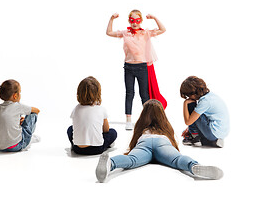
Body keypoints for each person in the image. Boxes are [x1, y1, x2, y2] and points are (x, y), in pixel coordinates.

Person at [95, 99, 223, 183]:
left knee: (131, 160)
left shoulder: (141, 126)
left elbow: (134, 141)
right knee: (178, 159)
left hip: (144, 142)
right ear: (161, 114)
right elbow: (173, 143)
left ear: (144, 114)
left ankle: (110, 163)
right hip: (162, 142)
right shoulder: (165, 127)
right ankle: (194, 166)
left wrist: (133, 150)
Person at [106, 9, 167, 130]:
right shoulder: (125, 33)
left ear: (141, 21)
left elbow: (163, 29)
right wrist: (111, 19)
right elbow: (109, 32)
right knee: (129, 93)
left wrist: (154, 17)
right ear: (129, 21)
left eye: (137, 20)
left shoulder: (145, 33)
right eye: (132, 20)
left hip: (142, 66)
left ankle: (147, 119)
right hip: (129, 66)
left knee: (144, 94)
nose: (135, 23)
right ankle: (128, 120)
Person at [67, 76, 117, 155]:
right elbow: (106, 130)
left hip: (78, 149)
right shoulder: (101, 109)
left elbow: (76, 126)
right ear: (98, 93)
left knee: (70, 129)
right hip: (97, 149)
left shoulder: (76, 109)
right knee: (113, 132)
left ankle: (75, 144)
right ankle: (107, 145)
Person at [0, 79, 40, 152]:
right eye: (20, 92)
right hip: (16, 146)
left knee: (21, 116)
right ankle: (29, 139)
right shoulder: (17, 106)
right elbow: (37, 110)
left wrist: (19, 122)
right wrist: (26, 120)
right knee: (33, 114)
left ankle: (20, 136)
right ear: (15, 96)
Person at [180, 76, 230, 148]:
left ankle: (195, 138)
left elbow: (188, 122)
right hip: (220, 132)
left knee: (191, 106)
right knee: (186, 130)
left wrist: (185, 103)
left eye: (188, 96)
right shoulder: (210, 96)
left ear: (193, 93)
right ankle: (212, 141)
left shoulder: (205, 101)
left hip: (212, 134)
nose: (189, 98)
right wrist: (189, 128)